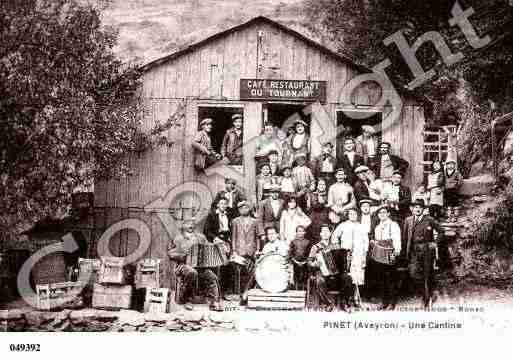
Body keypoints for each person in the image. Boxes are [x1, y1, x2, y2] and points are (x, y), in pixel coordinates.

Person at [168, 219, 224, 311]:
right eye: (188, 224)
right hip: (183, 265)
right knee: (191, 272)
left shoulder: (200, 237)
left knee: (211, 276)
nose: (191, 226)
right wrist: (182, 254)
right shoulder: (178, 239)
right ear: (183, 226)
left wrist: (216, 245)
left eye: (193, 224)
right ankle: (186, 300)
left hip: (200, 267)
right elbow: (170, 253)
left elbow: (208, 247)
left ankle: (214, 301)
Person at [403, 200, 442, 310]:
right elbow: (405, 237)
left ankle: (426, 298)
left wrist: (435, 243)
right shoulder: (408, 220)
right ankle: (425, 293)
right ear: (412, 209)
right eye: (415, 207)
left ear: (423, 209)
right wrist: (406, 252)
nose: (417, 209)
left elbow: (441, 231)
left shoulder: (429, 220)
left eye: (420, 207)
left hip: (426, 250)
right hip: (414, 251)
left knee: (427, 274)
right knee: (413, 273)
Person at [307, 224, 354, 311]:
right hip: (322, 272)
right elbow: (309, 261)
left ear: (330, 233)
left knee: (347, 278)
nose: (325, 233)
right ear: (320, 234)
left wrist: (348, 258)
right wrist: (315, 263)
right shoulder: (315, 247)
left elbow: (343, 259)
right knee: (319, 281)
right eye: (323, 231)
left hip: (337, 274)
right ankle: (328, 303)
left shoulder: (336, 246)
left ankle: (345, 303)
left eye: (327, 231)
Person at [371, 206, 401, 310]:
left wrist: (397, 250)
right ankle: (384, 301)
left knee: (390, 278)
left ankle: (392, 302)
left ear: (388, 214)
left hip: (390, 252)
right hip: (380, 254)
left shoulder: (393, 225)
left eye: (384, 212)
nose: (382, 215)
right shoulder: (377, 227)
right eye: (380, 213)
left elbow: (397, 238)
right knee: (381, 278)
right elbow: (377, 241)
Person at [338, 208, 369, 307]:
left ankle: (356, 299)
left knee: (357, 277)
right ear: (348, 215)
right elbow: (334, 238)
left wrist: (364, 254)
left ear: (357, 215)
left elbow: (366, 242)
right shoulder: (343, 225)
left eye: (354, 214)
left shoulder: (361, 227)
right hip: (345, 255)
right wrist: (340, 250)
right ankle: (347, 299)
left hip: (358, 255)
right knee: (347, 276)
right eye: (350, 213)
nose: (352, 215)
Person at [230, 201, 259, 305]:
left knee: (251, 272)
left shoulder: (255, 221)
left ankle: (247, 294)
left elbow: (257, 237)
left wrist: (257, 249)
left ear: (249, 209)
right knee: (240, 273)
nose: (244, 210)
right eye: (241, 208)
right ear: (239, 210)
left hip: (251, 251)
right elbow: (233, 237)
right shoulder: (235, 221)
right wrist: (233, 250)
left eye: (246, 208)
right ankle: (240, 294)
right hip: (239, 251)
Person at [306, 178, 330, 245]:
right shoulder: (312, 195)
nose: (322, 186)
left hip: (325, 217)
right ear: (317, 186)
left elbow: (329, 205)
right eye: (320, 184)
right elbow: (309, 208)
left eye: (323, 184)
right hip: (314, 218)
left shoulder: (328, 195)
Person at [288, 225, 312, 290]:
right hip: (295, 263)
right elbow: (290, 254)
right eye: (299, 231)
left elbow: (310, 254)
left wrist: (305, 262)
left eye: (302, 231)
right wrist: (296, 261)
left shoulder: (308, 242)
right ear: (296, 232)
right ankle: (296, 289)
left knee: (305, 276)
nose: (300, 233)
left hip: (305, 263)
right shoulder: (293, 242)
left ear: (305, 232)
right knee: (296, 276)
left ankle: (305, 290)